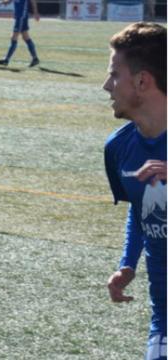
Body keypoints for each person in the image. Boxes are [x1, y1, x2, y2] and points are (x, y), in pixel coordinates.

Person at [102, 22, 166, 360]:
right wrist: (128, 263)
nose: (105, 86)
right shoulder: (119, 148)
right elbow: (141, 208)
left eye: (114, 74)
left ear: (142, 81)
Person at [0, 0, 39, 67]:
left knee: (14, 37)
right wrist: (3, 2)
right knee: (25, 37)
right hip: (20, 16)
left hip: (21, 16)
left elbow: (33, 1)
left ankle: (6, 60)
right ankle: (35, 59)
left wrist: (35, 12)